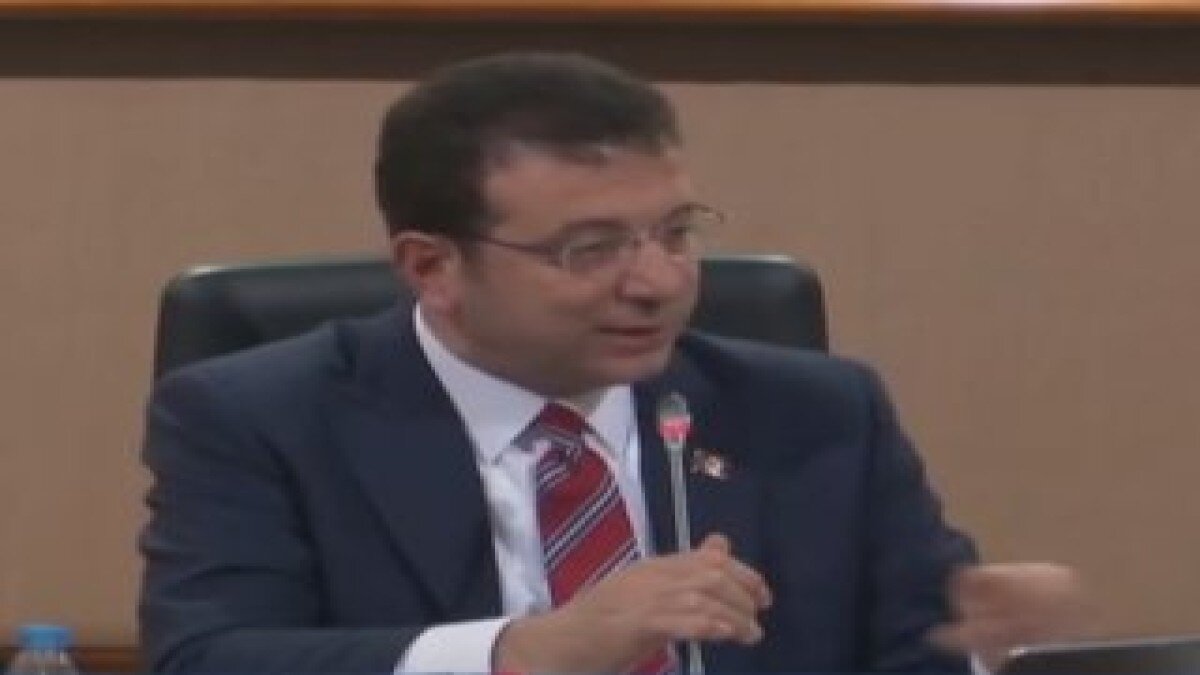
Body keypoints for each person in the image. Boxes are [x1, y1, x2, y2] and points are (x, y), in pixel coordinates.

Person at [139, 52, 1083, 674]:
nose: (657, 282)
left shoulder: (818, 413)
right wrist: (525, 651)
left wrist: (992, 646)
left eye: (676, 232)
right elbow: (213, 658)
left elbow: (922, 649)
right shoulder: (260, 416)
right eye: (589, 249)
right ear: (432, 267)